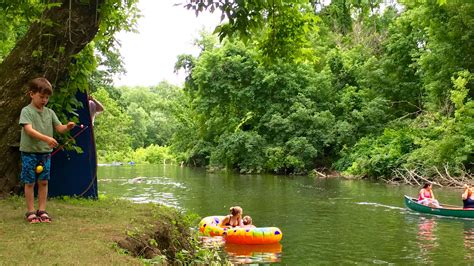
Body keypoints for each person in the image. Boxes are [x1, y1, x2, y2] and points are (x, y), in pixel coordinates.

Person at [19, 77, 75, 223]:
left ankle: (42, 210)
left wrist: (67, 127)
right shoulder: (26, 111)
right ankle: (31, 212)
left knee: (43, 181)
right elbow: (29, 130)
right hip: (29, 152)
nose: (44, 100)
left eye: (47, 97)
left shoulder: (50, 113)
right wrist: (46, 139)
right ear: (32, 94)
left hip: (45, 154)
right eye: (41, 97)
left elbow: (59, 128)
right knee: (29, 182)